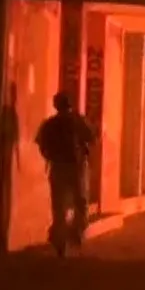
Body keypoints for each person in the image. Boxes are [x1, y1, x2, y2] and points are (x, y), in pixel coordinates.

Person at [34, 91, 95, 255]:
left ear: (56, 105)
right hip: (77, 166)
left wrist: (51, 156)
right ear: (70, 104)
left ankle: (60, 239)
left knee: (58, 204)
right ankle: (77, 233)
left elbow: (41, 144)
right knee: (81, 202)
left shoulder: (50, 124)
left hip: (58, 167)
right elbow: (92, 137)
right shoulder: (78, 121)